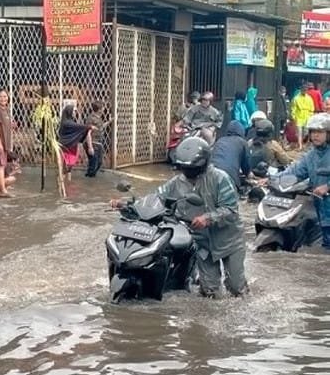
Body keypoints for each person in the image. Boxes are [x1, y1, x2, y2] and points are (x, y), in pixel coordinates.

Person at [113, 137, 248, 298]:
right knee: (210, 292)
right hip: (202, 242)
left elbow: (231, 209)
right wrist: (129, 204)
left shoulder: (220, 178)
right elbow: (156, 198)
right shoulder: (177, 182)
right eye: (184, 168)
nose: (188, 172)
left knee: (235, 288)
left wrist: (207, 218)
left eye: (192, 168)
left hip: (229, 241)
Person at [278, 113, 330, 250]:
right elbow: (294, 171)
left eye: (319, 132)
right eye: (313, 132)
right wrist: (272, 179)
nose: (315, 136)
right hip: (323, 214)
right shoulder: (310, 156)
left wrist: (327, 186)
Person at [58, 104, 95, 181]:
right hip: (65, 146)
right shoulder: (66, 123)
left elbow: (78, 127)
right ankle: (61, 181)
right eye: (74, 111)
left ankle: (68, 182)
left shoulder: (70, 122)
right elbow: (79, 127)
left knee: (70, 165)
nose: (75, 112)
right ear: (69, 112)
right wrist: (89, 127)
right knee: (67, 165)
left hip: (72, 146)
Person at [211, 121, 250, 190]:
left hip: (212, 175)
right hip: (230, 178)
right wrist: (248, 175)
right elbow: (246, 166)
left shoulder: (220, 140)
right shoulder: (242, 142)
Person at [84, 101, 110, 176]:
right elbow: (88, 132)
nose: (104, 109)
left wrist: (109, 122)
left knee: (98, 162)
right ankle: (89, 180)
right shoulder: (91, 118)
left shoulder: (98, 118)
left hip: (98, 143)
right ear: (99, 109)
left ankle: (90, 176)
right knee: (94, 163)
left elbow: (100, 127)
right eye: (102, 108)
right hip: (92, 142)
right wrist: (90, 147)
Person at [291, 83, 315, 149]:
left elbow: (312, 108)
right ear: (301, 90)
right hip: (298, 117)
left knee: (306, 132)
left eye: (305, 90)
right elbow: (293, 108)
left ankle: (302, 143)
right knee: (299, 132)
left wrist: (311, 115)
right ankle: (300, 145)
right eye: (303, 90)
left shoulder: (309, 98)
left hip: (307, 117)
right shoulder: (296, 98)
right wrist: (293, 117)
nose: (304, 91)